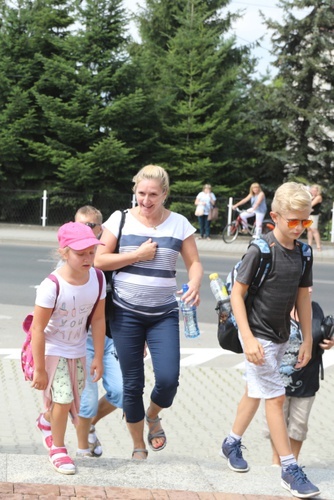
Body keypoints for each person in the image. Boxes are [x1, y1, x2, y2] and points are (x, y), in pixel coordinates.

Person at [94, 164, 203, 460]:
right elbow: (99, 260)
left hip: (163, 314)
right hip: (126, 313)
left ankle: (154, 415)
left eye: (153, 194)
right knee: (132, 384)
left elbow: (194, 263)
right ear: (135, 191)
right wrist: (137, 255)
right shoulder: (120, 219)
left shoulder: (179, 223)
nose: (146, 200)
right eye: (141, 193)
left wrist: (194, 284)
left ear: (165, 193)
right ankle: (137, 445)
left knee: (168, 379)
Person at [221, 182, 320, 499]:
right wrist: (247, 338)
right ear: (274, 216)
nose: (300, 228)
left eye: (305, 221)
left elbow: (303, 298)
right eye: (293, 221)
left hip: (281, 334)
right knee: (275, 398)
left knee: (255, 391)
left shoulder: (304, 252)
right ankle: (289, 469)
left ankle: (231, 442)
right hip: (258, 335)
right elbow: (237, 294)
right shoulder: (260, 250)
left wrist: (306, 339)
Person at [30, 222, 106, 475]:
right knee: (63, 400)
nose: (88, 258)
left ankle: (45, 421)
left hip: (79, 351)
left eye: (91, 252)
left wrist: (98, 356)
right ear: (64, 252)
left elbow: (97, 319)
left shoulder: (98, 277)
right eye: (80, 253)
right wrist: (39, 369)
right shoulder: (51, 285)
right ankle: (58, 449)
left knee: (69, 401)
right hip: (52, 350)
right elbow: (37, 329)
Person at [70, 206, 123, 459]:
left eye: (91, 226)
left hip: (111, 337)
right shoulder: (70, 259)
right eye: (80, 226)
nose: (85, 231)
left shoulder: (110, 259)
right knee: (87, 401)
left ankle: (89, 424)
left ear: (101, 229)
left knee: (122, 392)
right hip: (80, 341)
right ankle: (82, 450)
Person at [261, 292, 333, 466]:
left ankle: (292, 464)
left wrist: (329, 342)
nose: (308, 290)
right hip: (279, 380)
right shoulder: (279, 307)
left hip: (307, 380)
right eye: (304, 286)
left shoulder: (314, 309)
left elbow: (321, 336)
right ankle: (276, 461)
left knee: (298, 427)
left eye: (310, 286)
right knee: (277, 424)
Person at [306, 185, 322, 252]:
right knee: (309, 229)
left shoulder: (318, 197)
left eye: (314, 190)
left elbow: (311, 204)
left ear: (317, 191)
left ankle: (318, 246)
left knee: (314, 230)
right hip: (309, 214)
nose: (313, 191)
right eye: (312, 190)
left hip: (314, 215)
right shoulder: (311, 197)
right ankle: (309, 245)